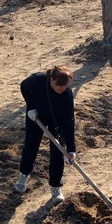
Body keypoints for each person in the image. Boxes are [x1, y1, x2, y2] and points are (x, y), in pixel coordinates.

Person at [15, 66, 77, 201]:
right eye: (58, 85)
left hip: (57, 120)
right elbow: (24, 86)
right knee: (31, 146)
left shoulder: (66, 95)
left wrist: (71, 149)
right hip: (36, 116)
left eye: (64, 86)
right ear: (51, 80)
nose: (61, 89)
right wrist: (31, 107)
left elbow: (69, 122)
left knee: (58, 151)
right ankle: (23, 176)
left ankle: (56, 188)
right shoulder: (38, 80)